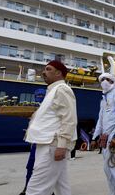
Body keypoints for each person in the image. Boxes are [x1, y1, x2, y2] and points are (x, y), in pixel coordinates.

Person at [25, 60, 77, 195]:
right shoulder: (52, 91)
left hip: (52, 145)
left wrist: (62, 145)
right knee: (62, 187)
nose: (43, 72)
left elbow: (69, 119)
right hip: (48, 143)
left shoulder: (62, 89)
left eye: (48, 69)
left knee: (36, 188)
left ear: (59, 73)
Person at [91, 73, 115, 195]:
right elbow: (100, 119)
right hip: (105, 138)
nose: (104, 81)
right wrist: (94, 137)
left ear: (113, 81)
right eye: (102, 79)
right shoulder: (103, 100)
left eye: (107, 79)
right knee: (108, 169)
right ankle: (114, 193)